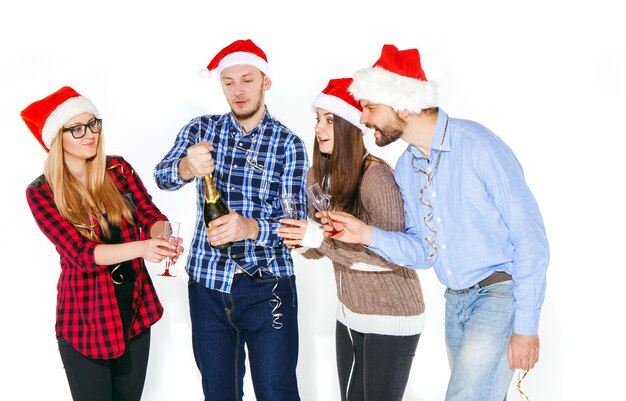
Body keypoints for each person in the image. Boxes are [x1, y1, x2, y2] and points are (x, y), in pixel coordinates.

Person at [321, 45, 550, 401]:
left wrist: (526, 327)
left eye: (370, 107)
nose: (363, 119)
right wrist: (366, 234)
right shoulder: (409, 170)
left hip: (499, 296)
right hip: (455, 302)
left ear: (404, 104)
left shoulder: (477, 146)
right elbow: (424, 253)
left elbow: (531, 239)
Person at [154, 39, 308, 401]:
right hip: (207, 284)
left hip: (268, 286)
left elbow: (295, 226)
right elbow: (163, 176)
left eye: (247, 80)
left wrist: (249, 227)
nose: (238, 91)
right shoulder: (201, 130)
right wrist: (187, 166)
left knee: (277, 393)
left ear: (265, 82)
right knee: (218, 394)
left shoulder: (288, 144)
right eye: (229, 82)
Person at [22, 86, 182, 401]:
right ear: (58, 139)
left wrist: (163, 235)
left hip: (135, 310)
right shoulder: (42, 192)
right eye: (77, 128)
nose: (90, 134)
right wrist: (142, 248)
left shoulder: (118, 169)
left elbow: (151, 216)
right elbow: (81, 254)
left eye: (94, 123)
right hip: (86, 319)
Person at [276, 78, 425, 401]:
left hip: (392, 315)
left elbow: (393, 256)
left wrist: (318, 239)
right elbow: (323, 250)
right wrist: (301, 240)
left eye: (329, 120)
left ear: (349, 125)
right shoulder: (317, 176)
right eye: (317, 118)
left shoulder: (376, 177)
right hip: (349, 311)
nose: (319, 127)